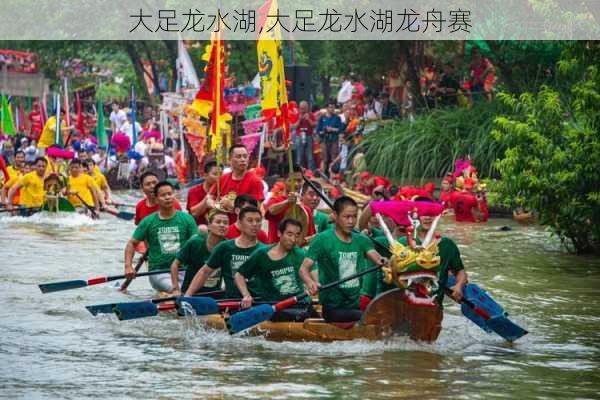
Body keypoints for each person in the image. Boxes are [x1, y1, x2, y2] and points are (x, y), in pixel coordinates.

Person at [299, 196, 388, 323]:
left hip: (354, 304)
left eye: (354, 217)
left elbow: (378, 259)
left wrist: (385, 261)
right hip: (333, 308)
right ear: (335, 215)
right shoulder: (322, 239)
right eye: (347, 217)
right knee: (370, 318)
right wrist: (310, 283)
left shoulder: (362, 240)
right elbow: (303, 269)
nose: (351, 221)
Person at [235, 218, 315, 322]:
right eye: (289, 234)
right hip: (276, 307)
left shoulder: (301, 254)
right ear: (279, 233)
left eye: (297, 235)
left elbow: (314, 272)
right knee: (302, 316)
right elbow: (239, 275)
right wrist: (246, 295)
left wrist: (314, 283)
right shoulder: (261, 254)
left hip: (301, 304)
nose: (293, 239)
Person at [124, 181, 198, 292]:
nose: (167, 197)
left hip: (184, 270)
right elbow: (132, 243)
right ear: (156, 199)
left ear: (175, 196)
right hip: (158, 272)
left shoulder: (187, 219)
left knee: (191, 290)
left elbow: (197, 243)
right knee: (177, 290)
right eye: (163, 195)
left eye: (170, 194)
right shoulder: (148, 221)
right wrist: (128, 266)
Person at [184, 206, 267, 298]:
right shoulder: (225, 247)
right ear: (240, 223)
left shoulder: (265, 250)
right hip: (231, 302)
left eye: (258, 220)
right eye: (250, 220)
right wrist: (187, 296)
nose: (255, 224)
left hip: (259, 301)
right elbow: (205, 272)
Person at [170, 209, 229, 296]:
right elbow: (175, 265)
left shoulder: (228, 246)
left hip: (215, 294)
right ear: (209, 225)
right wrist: (176, 289)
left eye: (225, 223)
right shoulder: (194, 242)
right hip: (190, 293)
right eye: (218, 222)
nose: (222, 225)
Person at [209, 144, 264, 223]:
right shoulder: (223, 178)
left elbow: (256, 211)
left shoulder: (255, 181)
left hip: (243, 228)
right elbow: (209, 197)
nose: (243, 159)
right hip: (223, 225)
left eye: (245, 156)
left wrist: (233, 206)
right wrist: (215, 205)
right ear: (230, 159)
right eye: (238, 157)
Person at [264, 165, 316, 244]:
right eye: (291, 180)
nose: (296, 184)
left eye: (299, 180)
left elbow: (309, 237)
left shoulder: (306, 210)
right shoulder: (275, 200)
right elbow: (271, 210)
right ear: (284, 180)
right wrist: (287, 201)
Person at [187, 160, 219, 225]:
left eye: (221, 174)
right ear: (205, 175)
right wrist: (205, 201)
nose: (219, 177)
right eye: (215, 174)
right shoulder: (194, 191)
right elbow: (194, 213)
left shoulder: (224, 189)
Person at [316, 101, 343, 173]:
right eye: (330, 107)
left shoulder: (337, 118)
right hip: (324, 139)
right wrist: (323, 132)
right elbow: (318, 130)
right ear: (327, 108)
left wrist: (332, 129)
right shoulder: (322, 118)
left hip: (334, 139)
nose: (332, 109)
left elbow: (340, 129)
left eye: (333, 107)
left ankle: (333, 174)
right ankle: (323, 174)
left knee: (334, 157)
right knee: (324, 158)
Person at [292, 101, 317, 171]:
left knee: (310, 156)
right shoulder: (297, 115)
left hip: (308, 136)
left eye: (304, 108)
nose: (302, 110)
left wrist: (308, 119)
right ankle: (299, 172)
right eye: (301, 108)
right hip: (299, 137)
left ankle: (311, 172)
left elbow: (314, 125)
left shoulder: (311, 115)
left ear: (307, 108)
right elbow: (293, 127)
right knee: (299, 156)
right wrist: (299, 120)